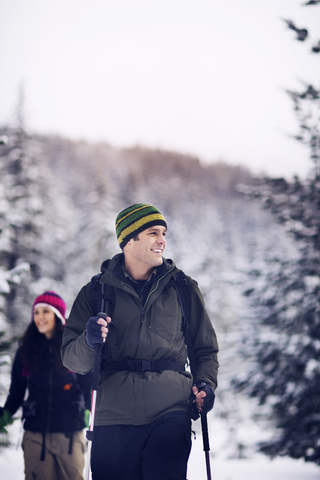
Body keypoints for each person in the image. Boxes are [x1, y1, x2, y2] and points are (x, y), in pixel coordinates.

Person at [61, 203, 219, 480]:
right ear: (128, 239)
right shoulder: (95, 292)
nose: (162, 241)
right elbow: (72, 360)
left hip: (171, 410)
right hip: (112, 415)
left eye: (164, 233)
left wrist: (205, 383)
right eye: (152, 233)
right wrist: (89, 339)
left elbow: (205, 348)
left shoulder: (182, 288)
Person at [0, 291, 92, 480]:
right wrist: (6, 413)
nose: (39, 317)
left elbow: (87, 385)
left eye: (45, 312)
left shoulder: (72, 348)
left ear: (57, 315)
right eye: (36, 312)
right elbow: (17, 392)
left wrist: (90, 411)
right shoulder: (26, 350)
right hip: (36, 433)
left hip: (70, 433)